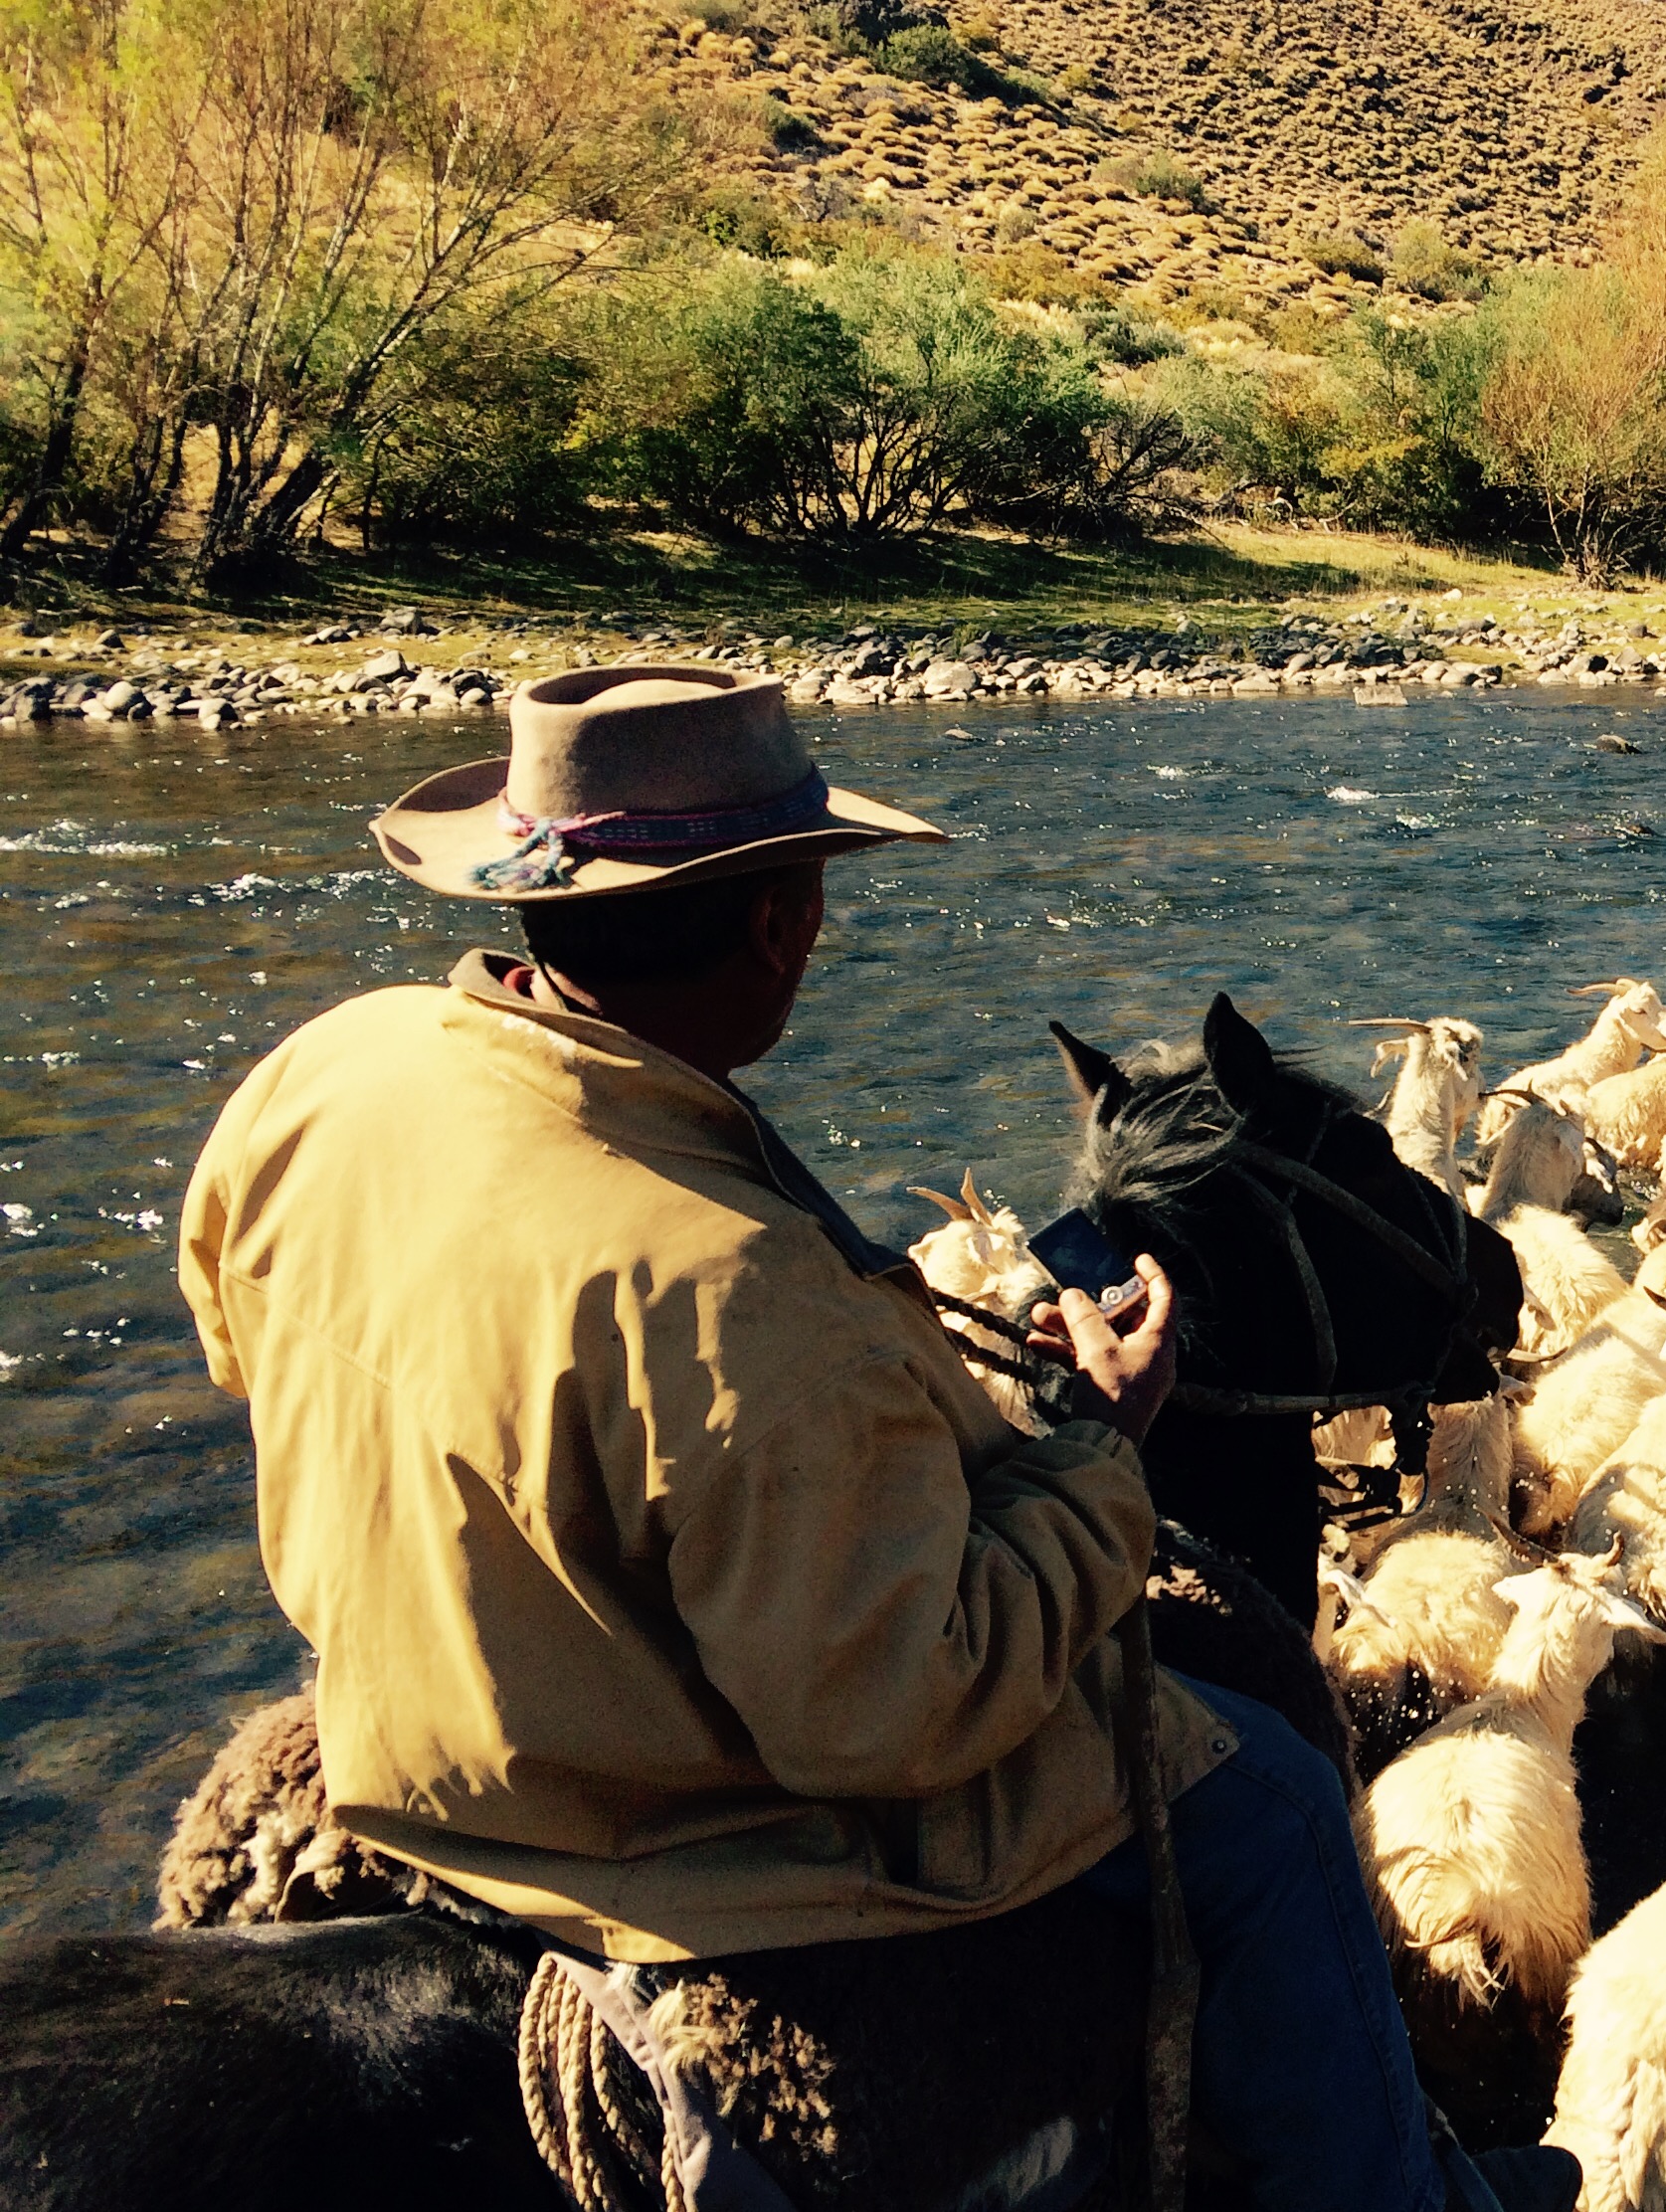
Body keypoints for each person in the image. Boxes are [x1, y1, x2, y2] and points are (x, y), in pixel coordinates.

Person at [176, 666, 1577, 2212]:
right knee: (1278, 1809)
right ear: (785, 921)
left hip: (418, 1718)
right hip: (665, 1833)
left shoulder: (328, 1069)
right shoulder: (742, 1284)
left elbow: (241, 1337)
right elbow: (907, 1709)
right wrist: (1098, 1450)